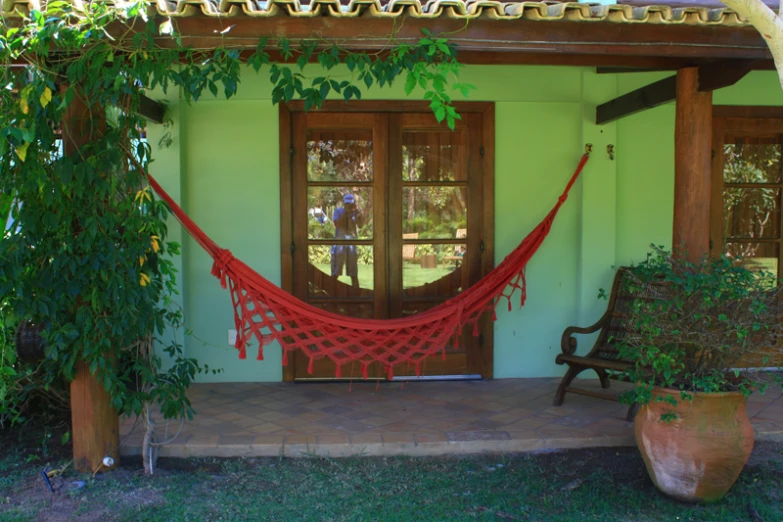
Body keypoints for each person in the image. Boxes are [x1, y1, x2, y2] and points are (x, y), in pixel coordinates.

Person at [331, 193, 360, 288]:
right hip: (340, 245)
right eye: (346, 204)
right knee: (336, 273)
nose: (348, 206)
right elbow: (337, 224)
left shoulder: (355, 212)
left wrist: (358, 211)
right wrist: (346, 213)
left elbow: (361, 225)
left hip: (351, 245)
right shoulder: (338, 211)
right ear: (343, 204)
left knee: (353, 274)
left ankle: (357, 296)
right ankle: (330, 293)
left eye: (350, 204)